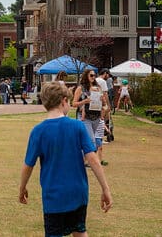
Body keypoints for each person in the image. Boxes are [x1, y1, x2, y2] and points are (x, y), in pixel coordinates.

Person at [18, 81, 112, 236]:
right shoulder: (78, 126)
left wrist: (22, 188)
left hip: (53, 195)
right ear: (63, 101)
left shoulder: (38, 131)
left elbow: (28, 165)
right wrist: (105, 189)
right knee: (80, 231)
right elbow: (93, 159)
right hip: (78, 192)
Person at [73, 69, 107, 145]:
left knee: (88, 140)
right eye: (91, 75)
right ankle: (91, 156)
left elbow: (104, 104)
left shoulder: (98, 87)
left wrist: (103, 100)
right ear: (86, 76)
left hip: (96, 117)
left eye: (94, 75)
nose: (93, 77)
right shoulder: (81, 88)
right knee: (92, 141)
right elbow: (74, 104)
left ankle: (84, 155)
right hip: (84, 117)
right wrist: (84, 101)